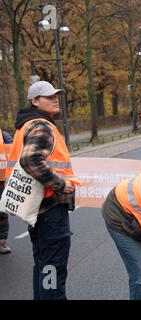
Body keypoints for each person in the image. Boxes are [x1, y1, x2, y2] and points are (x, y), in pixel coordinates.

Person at [5, 81, 79, 300]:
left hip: (37, 208)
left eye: (57, 95)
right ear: (35, 101)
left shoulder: (24, 126)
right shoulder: (41, 126)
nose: (56, 99)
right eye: (49, 96)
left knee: (43, 266)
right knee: (53, 270)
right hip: (50, 208)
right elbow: (31, 160)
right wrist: (61, 184)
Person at [0, 130, 13, 254]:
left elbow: (14, 153)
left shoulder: (4, 136)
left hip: (2, 180)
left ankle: (1, 243)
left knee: (2, 212)